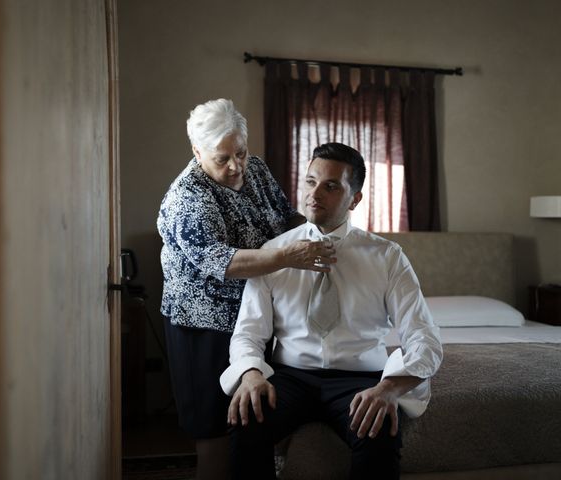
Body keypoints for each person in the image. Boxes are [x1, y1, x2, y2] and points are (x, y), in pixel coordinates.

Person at [220, 142, 443, 480]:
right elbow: (249, 332)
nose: (315, 193)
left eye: (331, 186)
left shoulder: (387, 257)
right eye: (310, 182)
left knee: (381, 428)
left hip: (360, 378)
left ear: (355, 199)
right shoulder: (273, 253)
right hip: (292, 376)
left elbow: (423, 336)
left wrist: (389, 389)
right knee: (246, 417)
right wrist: (251, 374)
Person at [157, 99, 336, 480]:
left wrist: (318, 231)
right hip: (203, 324)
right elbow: (225, 262)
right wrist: (290, 256)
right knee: (215, 429)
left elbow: (285, 216)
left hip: (254, 316)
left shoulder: (254, 169)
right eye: (223, 158)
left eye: (241, 152)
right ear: (197, 152)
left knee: (253, 417)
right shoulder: (188, 198)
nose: (236, 165)